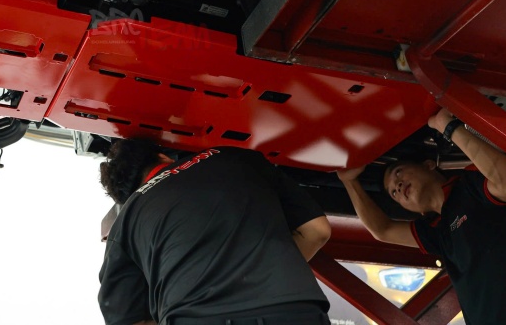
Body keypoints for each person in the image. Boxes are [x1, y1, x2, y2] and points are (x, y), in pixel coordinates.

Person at [338, 108, 506, 325]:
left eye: (399, 173)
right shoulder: (435, 230)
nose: (398, 186)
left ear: (429, 165)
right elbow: (382, 230)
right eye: (393, 192)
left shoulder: (470, 186)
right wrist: (349, 182)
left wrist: (448, 126)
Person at [97, 139, 332, 325]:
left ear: (126, 196)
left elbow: (127, 319)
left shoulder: (127, 220)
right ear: (163, 157)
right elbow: (317, 230)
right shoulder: (236, 157)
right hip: (293, 310)